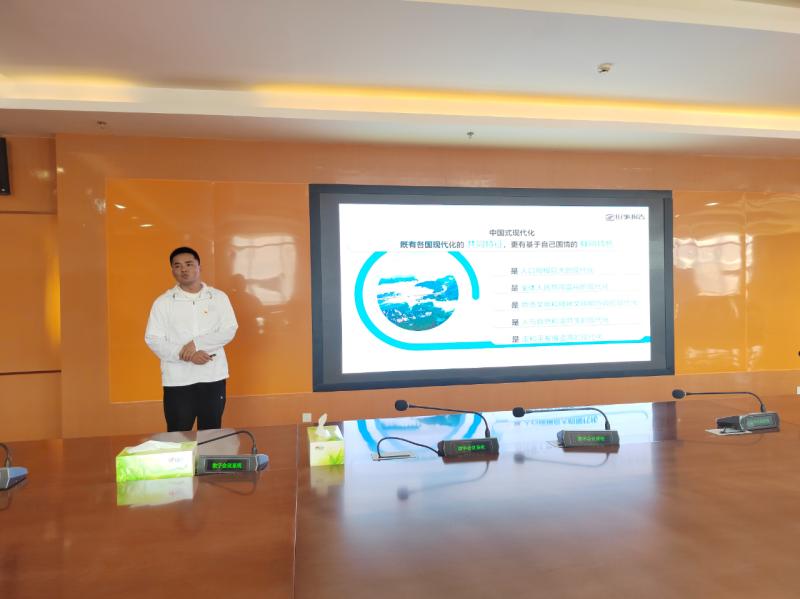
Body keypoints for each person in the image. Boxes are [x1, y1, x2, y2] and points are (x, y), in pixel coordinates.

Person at [145, 247, 238, 431]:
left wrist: (196, 344)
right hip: (178, 380)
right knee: (178, 435)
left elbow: (229, 329)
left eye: (189, 264)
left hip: (212, 376)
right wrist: (185, 353)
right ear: (172, 270)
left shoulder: (218, 297)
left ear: (199, 267)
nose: (183, 269)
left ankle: (207, 452)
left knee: (211, 433)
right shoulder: (163, 302)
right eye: (177, 266)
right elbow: (153, 338)